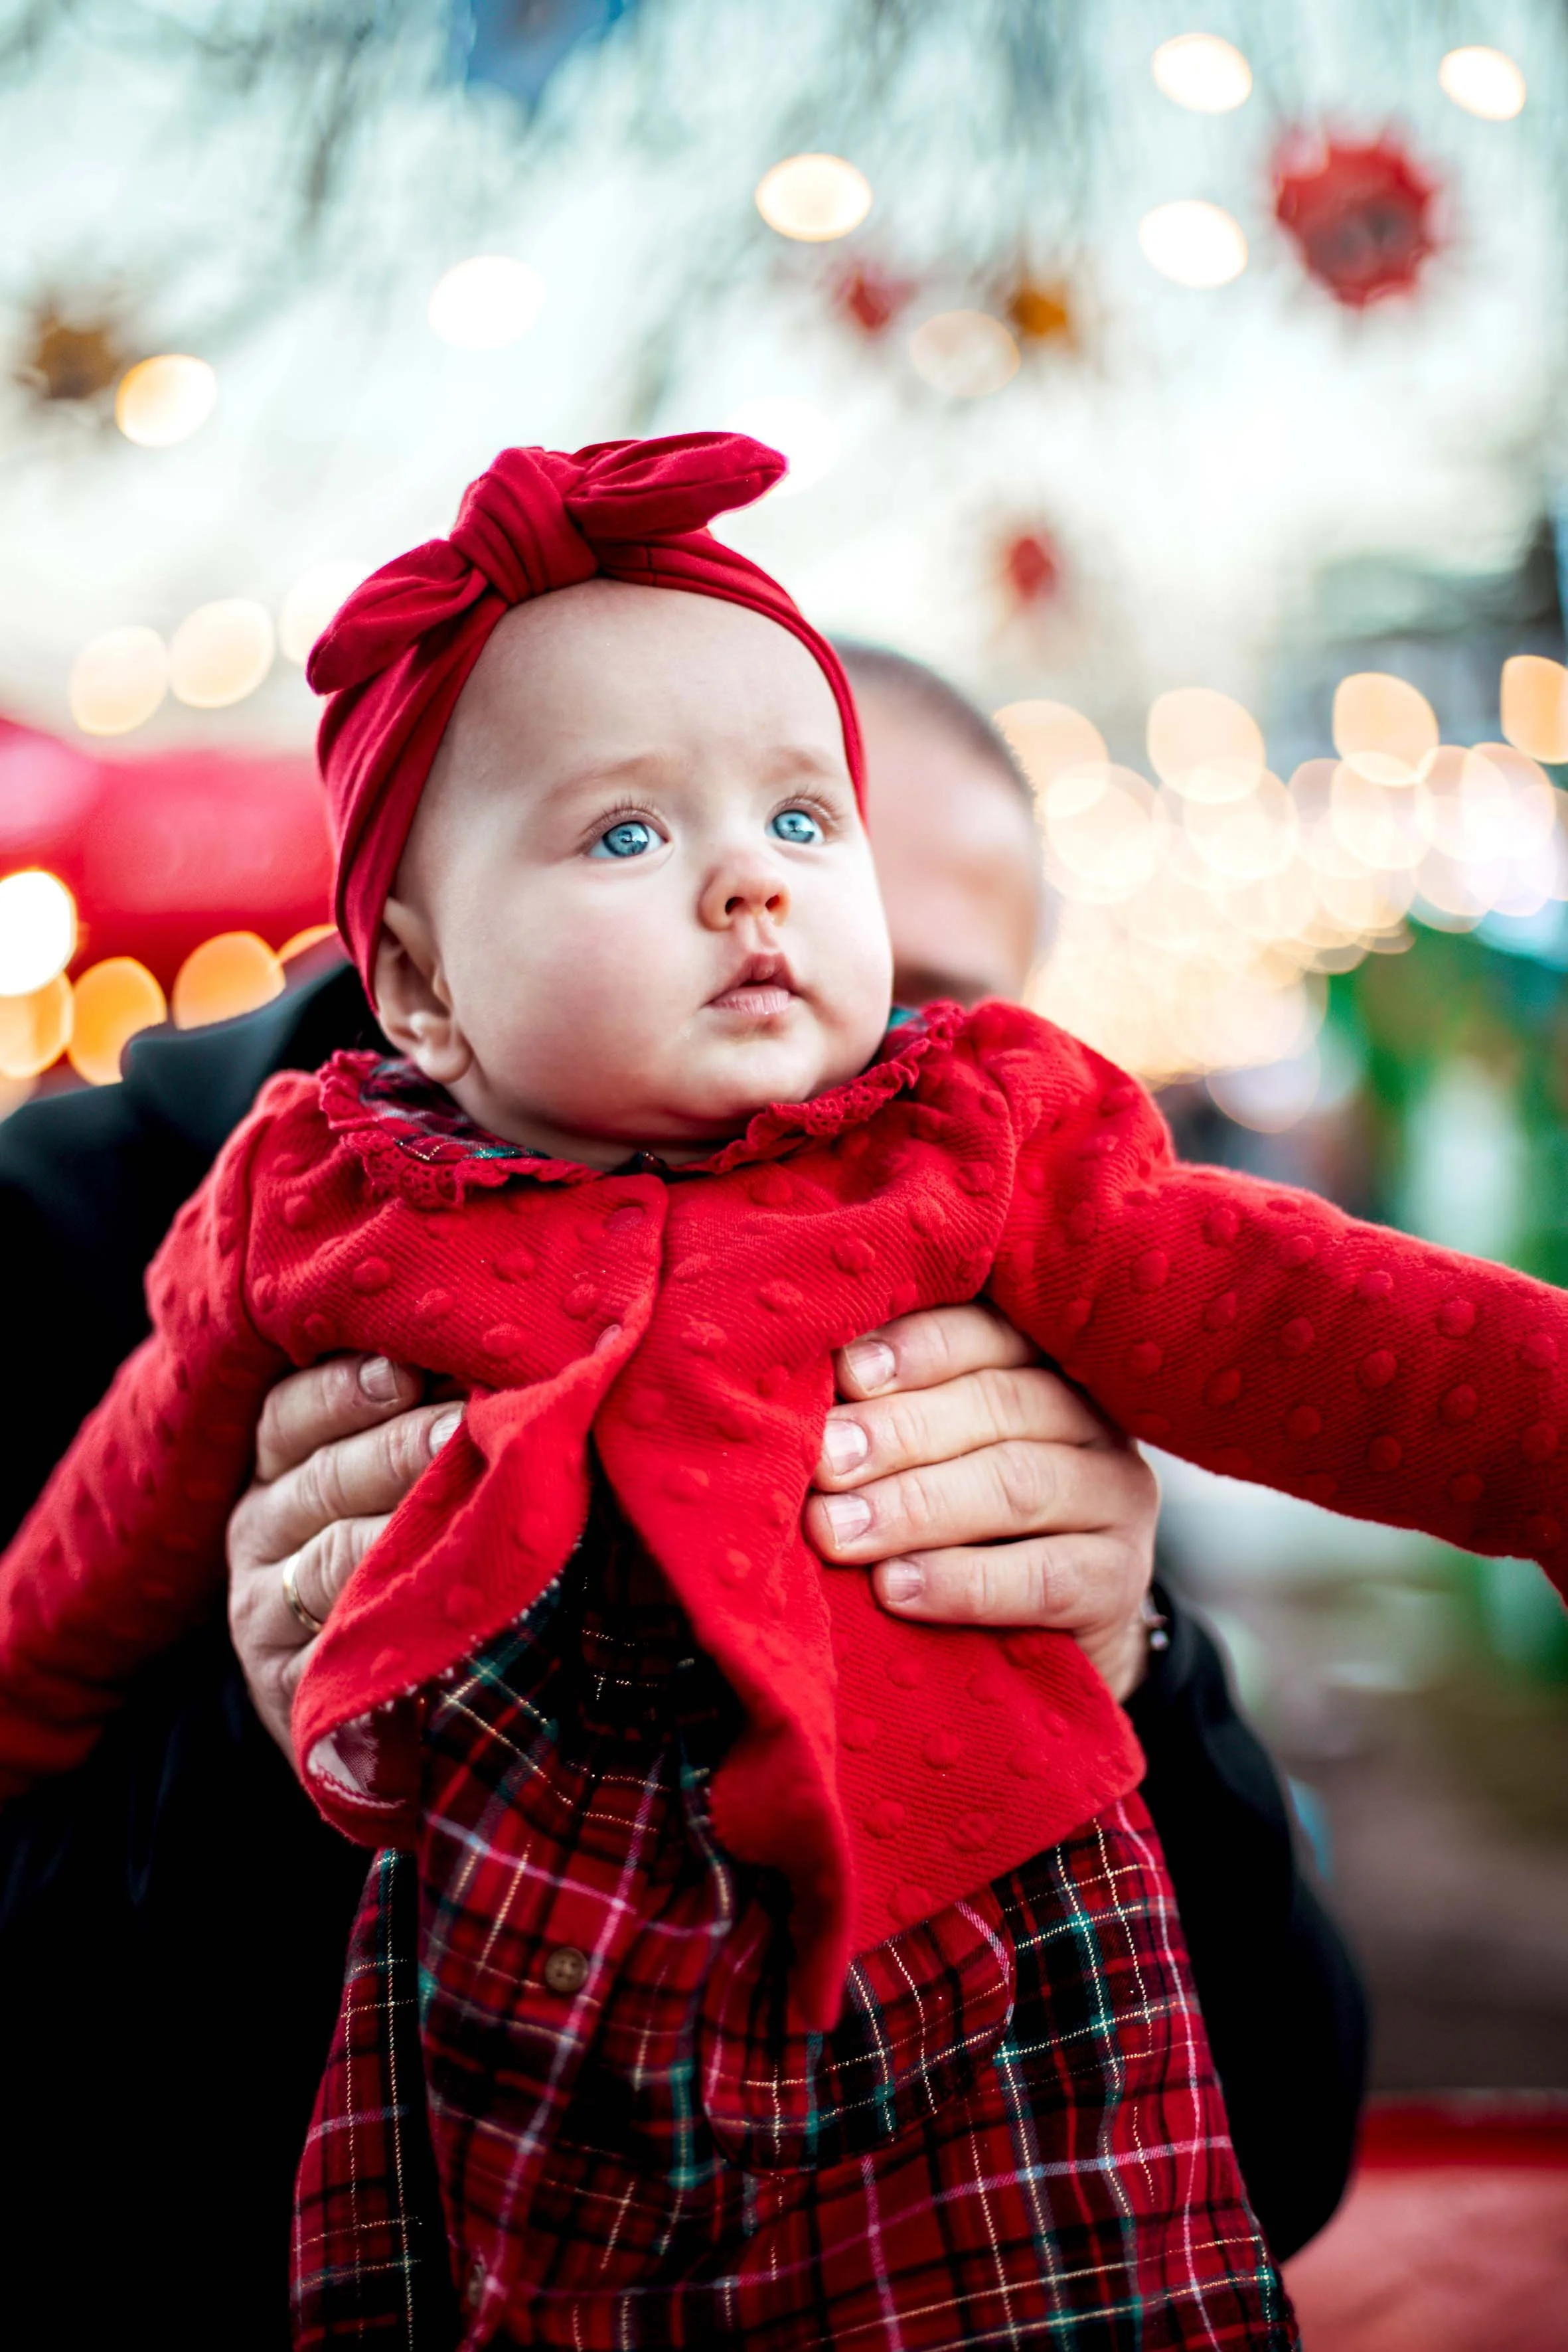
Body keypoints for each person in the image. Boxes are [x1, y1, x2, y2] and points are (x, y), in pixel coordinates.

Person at [0, 441, 1370, 2345]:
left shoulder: (986, 1237)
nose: (786, 952)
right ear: (424, 962)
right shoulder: (97, 1236)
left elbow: (1285, 2144)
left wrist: (1131, 1655)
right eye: (634, 835)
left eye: (828, 861)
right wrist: (243, 1745)